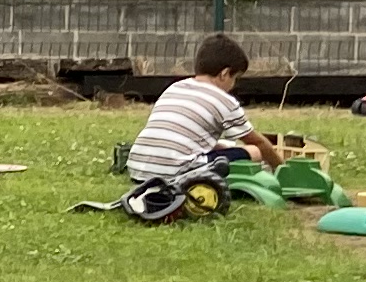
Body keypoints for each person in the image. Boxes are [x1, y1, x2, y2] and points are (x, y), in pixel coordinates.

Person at [124, 33, 292, 186]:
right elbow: (258, 143)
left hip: (138, 169)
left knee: (222, 146)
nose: (234, 85)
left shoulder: (175, 87)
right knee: (254, 152)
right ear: (224, 74)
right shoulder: (224, 101)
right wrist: (281, 168)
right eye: (235, 78)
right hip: (173, 174)